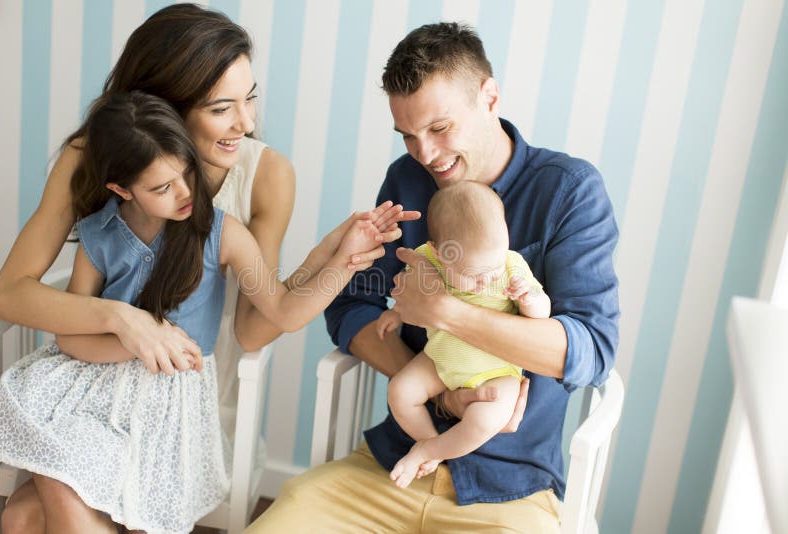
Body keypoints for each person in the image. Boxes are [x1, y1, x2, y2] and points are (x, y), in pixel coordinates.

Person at [0, 4, 410, 532]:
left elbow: (260, 322)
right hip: (92, 386)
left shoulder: (256, 187)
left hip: (181, 405)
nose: (246, 123)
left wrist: (334, 255)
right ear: (163, 109)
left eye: (250, 98)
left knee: (28, 513)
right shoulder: (99, 159)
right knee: (23, 514)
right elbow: (12, 294)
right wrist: (126, 321)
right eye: (221, 108)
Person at [249, 22, 619, 533]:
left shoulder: (569, 192)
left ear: (489, 98)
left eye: (440, 128)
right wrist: (439, 395)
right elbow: (352, 306)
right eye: (408, 135)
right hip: (391, 466)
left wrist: (446, 312)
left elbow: (591, 351)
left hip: (510, 490)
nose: (424, 153)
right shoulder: (407, 180)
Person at [376, 181, 551, 488]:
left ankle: (428, 451)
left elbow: (543, 313)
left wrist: (529, 299)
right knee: (400, 392)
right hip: (440, 359)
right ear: (438, 251)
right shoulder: (427, 260)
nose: (487, 281)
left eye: (493, 270)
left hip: (496, 370)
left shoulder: (511, 266)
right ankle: (430, 444)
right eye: (473, 275)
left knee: (486, 420)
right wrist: (396, 312)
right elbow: (409, 294)